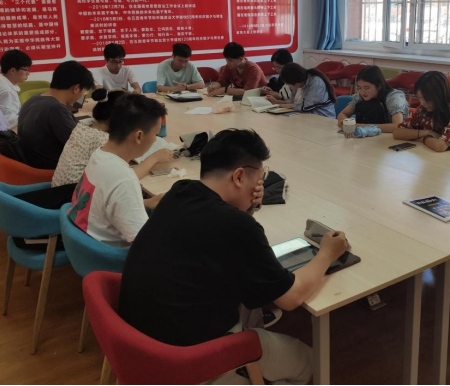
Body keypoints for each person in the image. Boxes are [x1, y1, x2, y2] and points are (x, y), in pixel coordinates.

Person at [119, 129, 348, 385]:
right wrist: (327, 253)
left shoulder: (180, 191)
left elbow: (224, 238)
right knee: (312, 362)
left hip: (141, 343)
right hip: (190, 358)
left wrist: (247, 208)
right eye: (259, 177)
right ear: (239, 176)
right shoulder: (236, 226)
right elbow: (290, 298)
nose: (259, 185)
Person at [67, 94, 171, 248]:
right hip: (111, 255)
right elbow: (144, 246)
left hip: (86, 242)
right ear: (139, 136)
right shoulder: (124, 179)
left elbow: (102, 204)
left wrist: (145, 203)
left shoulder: (99, 154)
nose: (156, 139)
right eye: (155, 134)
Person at [18, 61, 95, 170]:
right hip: (52, 170)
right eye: (84, 92)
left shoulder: (33, 100)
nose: (83, 95)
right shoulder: (56, 109)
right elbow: (82, 147)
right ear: (76, 88)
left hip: (31, 164)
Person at [393, 71, 450, 153]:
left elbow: (440, 146)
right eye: (419, 97)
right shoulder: (423, 109)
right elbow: (397, 133)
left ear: (440, 95)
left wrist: (422, 138)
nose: (422, 103)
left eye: (426, 98)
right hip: (435, 156)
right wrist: (427, 133)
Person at [337, 66, 410, 133]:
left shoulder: (394, 97)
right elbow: (342, 114)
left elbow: (397, 126)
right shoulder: (360, 96)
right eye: (359, 88)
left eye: (366, 88)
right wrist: (345, 122)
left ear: (379, 86)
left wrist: (359, 126)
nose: (362, 92)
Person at [269, 63, 336, 118]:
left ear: (296, 84)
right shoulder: (298, 82)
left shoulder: (316, 83)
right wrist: (277, 102)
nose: (288, 86)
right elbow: (293, 102)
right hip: (306, 117)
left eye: (288, 84)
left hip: (323, 117)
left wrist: (284, 105)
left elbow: (306, 108)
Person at [0, 49, 32, 130]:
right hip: (6, 132)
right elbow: (8, 121)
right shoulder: (6, 91)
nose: (28, 73)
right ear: (13, 70)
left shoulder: (2, 81)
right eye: (26, 70)